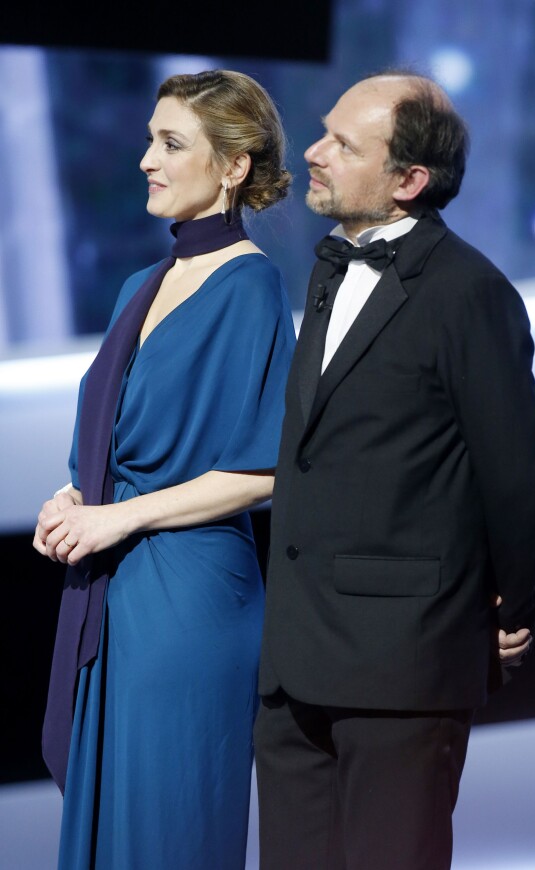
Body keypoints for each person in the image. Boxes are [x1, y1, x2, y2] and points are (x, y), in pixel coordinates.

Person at [253, 69, 535, 870]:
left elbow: (518, 476)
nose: (312, 152)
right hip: (294, 665)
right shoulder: (328, 270)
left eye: (343, 145)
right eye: (324, 131)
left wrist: (507, 609)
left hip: (402, 666)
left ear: (408, 181)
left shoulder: (469, 294)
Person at [33, 69, 296, 869]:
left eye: (171, 143)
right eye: (151, 138)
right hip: (114, 591)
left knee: (169, 832)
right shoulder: (135, 289)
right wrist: (75, 495)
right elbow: (113, 446)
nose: (147, 159)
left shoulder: (251, 286)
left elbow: (270, 471)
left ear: (232, 166)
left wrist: (119, 516)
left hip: (190, 602)